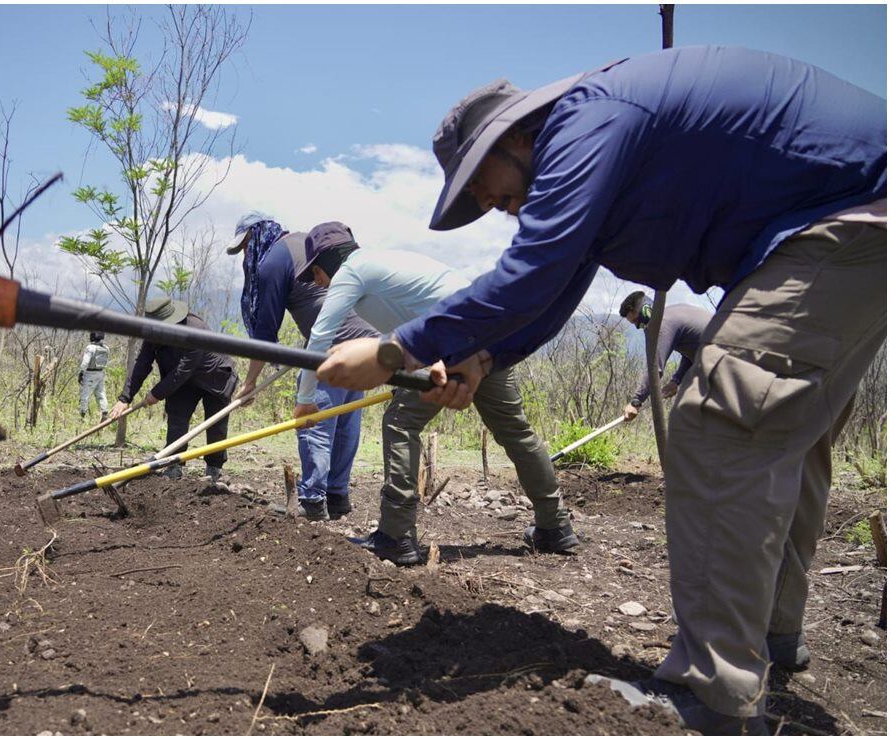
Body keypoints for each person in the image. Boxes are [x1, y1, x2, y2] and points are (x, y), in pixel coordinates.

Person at [317, 46, 884, 734]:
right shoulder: (598, 136)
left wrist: (395, 349)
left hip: (842, 221)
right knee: (786, 434)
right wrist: (486, 356)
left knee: (722, 425)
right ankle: (770, 633)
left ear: (516, 137)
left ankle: (714, 699)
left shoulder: (585, 121)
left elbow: (533, 268)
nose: (491, 206)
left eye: (486, 187)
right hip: (851, 222)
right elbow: (558, 282)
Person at [296, 222, 577, 565]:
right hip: (490, 336)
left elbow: (320, 336)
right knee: (515, 431)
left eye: (315, 273)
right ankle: (555, 525)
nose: (318, 283)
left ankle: (396, 535)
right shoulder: (384, 264)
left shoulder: (351, 271)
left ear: (329, 261)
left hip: (451, 342)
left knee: (400, 422)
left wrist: (305, 400)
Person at [227, 211, 379, 521]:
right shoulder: (302, 242)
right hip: (366, 343)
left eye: (244, 247)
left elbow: (265, 334)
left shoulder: (272, 261)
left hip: (332, 346)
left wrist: (250, 382)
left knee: (314, 420)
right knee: (345, 420)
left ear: (255, 236)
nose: (244, 255)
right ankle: (337, 496)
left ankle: (312, 501)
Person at [109, 297, 237, 483]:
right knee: (176, 419)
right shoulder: (153, 334)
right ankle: (174, 465)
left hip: (214, 376)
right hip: (183, 383)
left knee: (216, 424)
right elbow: (142, 364)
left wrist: (157, 393)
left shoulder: (195, 329)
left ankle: (214, 468)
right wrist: (125, 398)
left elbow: (184, 369)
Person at [616, 293, 711, 423]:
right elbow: (693, 352)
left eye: (636, 321)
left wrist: (636, 401)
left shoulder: (663, 324)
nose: (637, 327)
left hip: (726, 364)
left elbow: (655, 369)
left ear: (646, 310)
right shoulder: (673, 314)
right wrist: (676, 381)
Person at [79, 331, 111, 422]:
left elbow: (85, 362)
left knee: (85, 395)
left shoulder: (90, 348)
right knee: (101, 393)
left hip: (90, 373)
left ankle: (82, 416)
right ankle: (105, 412)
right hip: (100, 373)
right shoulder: (106, 348)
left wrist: (81, 373)